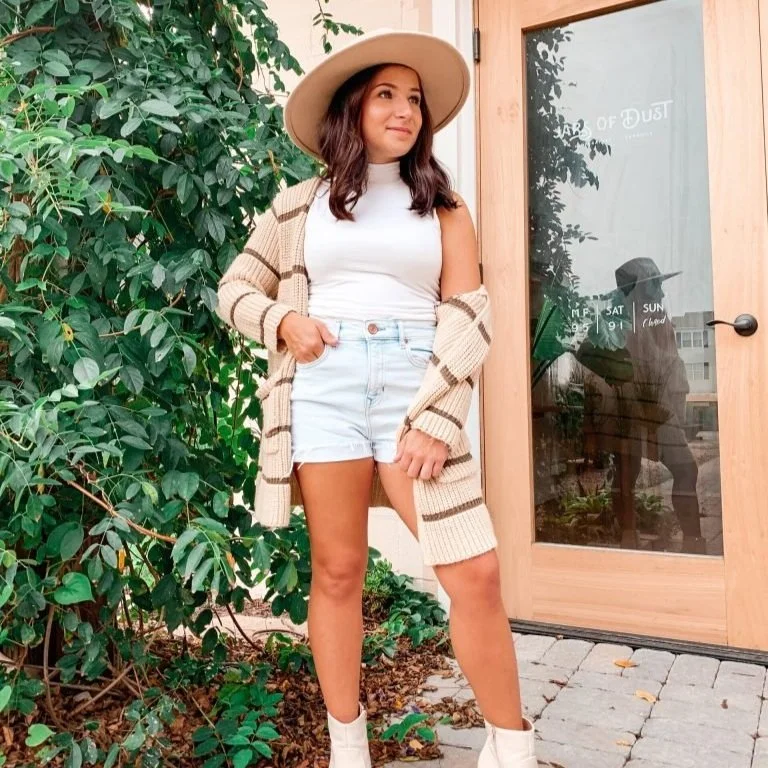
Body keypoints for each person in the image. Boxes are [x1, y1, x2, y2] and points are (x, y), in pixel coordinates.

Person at [216, 28, 536, 768]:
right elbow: (234, 289)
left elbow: (468, 316)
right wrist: (283, 321)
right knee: (337, 573)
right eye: (386, 95)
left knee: (474, 573)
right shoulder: (298, 206)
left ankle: (513, 746)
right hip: (323, 390)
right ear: (352, 109)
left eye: (414, 99)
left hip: (411, 389)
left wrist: (436, 417)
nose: (405, 110)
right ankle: (348, 746)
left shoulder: (443, 207)